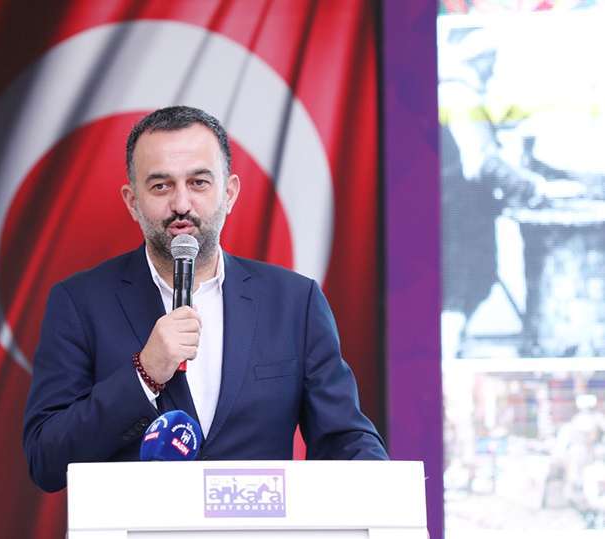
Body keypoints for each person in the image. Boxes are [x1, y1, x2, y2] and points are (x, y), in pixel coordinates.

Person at [23, 106, 387, 493]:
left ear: (229, 193)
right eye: (161, 186)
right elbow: (46, 458)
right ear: (132, 201)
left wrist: (386, 491)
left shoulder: (295, 302)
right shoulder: (80, 303)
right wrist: (144, 374)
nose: (181, 204)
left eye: (198, 183)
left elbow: (344, 438)